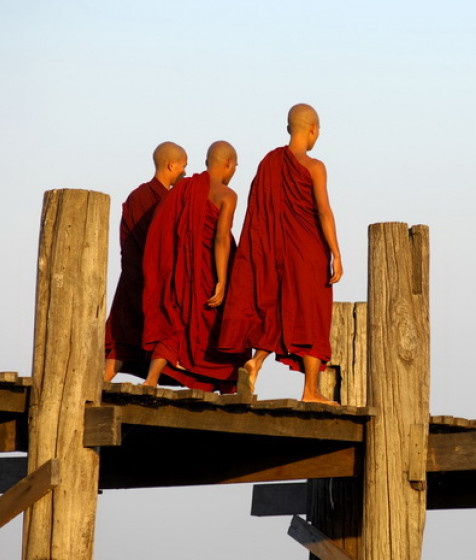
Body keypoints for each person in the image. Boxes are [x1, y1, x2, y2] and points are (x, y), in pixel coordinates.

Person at [219, 104, 342, 404]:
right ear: (313, 130)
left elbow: (258, 215)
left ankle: (256, 362)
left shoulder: (268, 163)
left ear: (290, 128)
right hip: (309, 251)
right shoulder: (314, 167)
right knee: (312, 315)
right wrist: (336, 253)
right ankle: (311, 390)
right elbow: (323, 211)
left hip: (274, 253)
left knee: (277, 310)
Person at [142, 140, 248, 392]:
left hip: (180, 271)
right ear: (228, 164)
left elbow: (163, 229)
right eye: (235, 168)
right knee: (220, 327)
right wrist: (222, 281)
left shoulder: (184, 188)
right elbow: (221, 238)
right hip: (208, 272)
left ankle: (151, 379)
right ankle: (226, 385)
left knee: (174, 321)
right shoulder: (226, 195)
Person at [104, 142, 187, 382]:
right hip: (154, 278)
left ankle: (103, 380)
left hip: (132, 275)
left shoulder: (137, 196)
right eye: (183, 165)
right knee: (155, 331)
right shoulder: (163, 200)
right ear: (172, 165)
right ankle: (155, 378)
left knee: (123, 336)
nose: (184, 172)